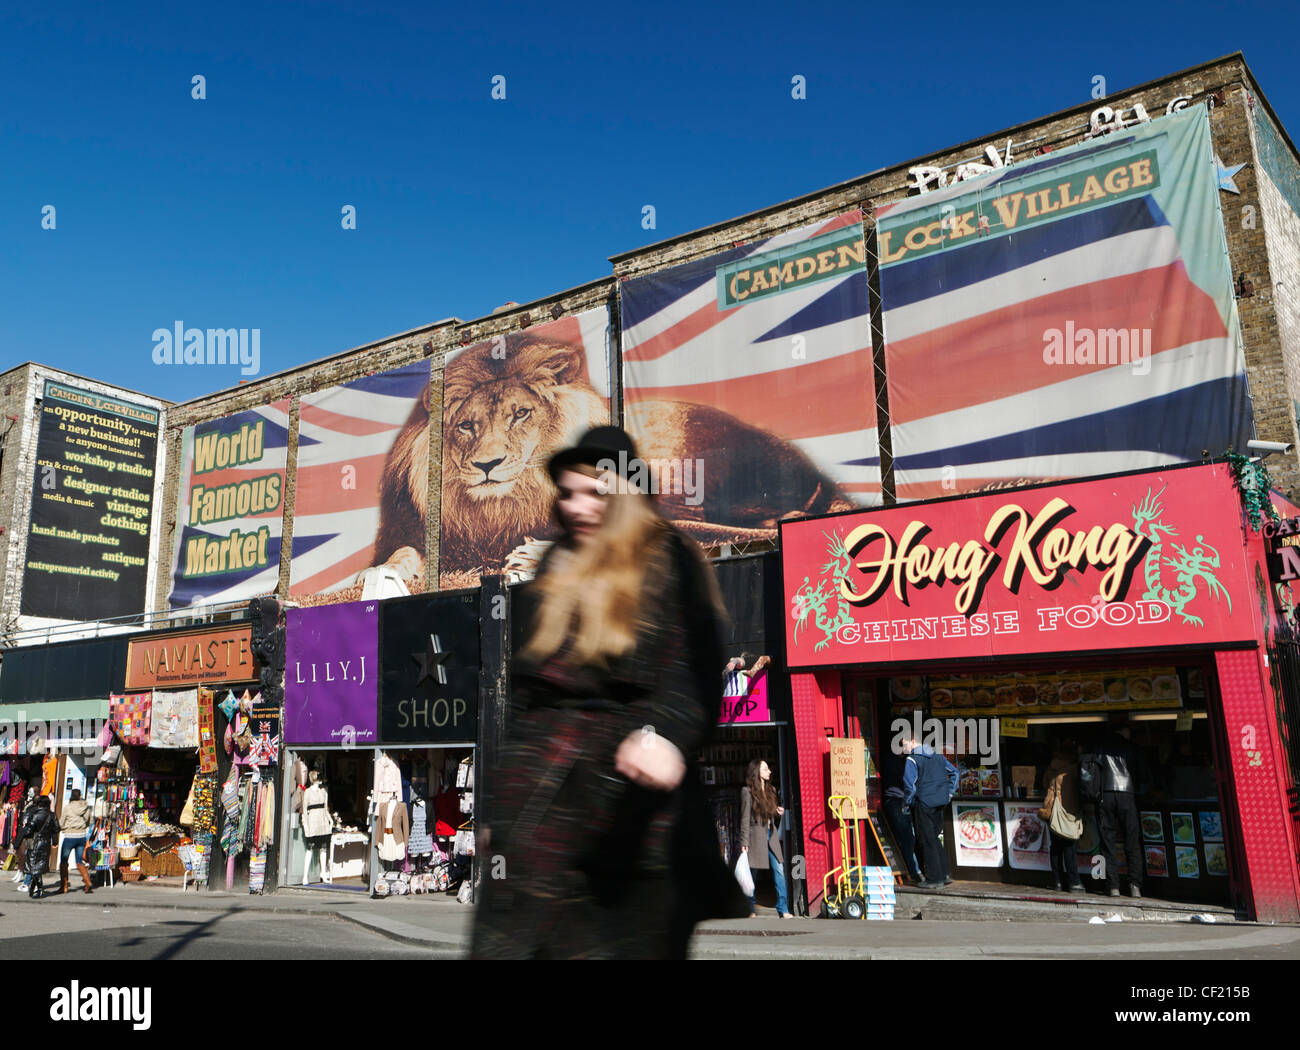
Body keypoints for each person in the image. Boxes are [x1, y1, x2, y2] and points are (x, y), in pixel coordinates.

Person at [470, 426, 748, 959]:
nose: (574, 507)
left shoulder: (669, 559)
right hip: (537, 815)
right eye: (567, 493)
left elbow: (695, 673)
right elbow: (524, 706)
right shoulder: (555, 564)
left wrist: (665, 734)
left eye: (593, 492)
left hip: (630, 819)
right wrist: (498, 813)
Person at [1083, 715, 1150, 898]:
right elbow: (1144, 775)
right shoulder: (1132, 748)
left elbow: (1086, 772)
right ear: (1123, 730)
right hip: (1127, 796)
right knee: (1132, 841)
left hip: (1105, 796)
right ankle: (1135, 885)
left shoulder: (1098, 747)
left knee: (1107, 843)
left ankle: (1113, 886)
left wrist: (1092, 794)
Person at [902, 737, 959, 889]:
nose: (904, 749)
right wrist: (949, 794)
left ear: (913, 741)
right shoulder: (938, 756)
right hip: (940, 803)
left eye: (904, 744)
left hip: (924, 804)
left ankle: (934, 879)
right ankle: (945, 874)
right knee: (933, 838)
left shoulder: (912, 759)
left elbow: (910, 787)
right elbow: (955, 773)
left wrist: (906, 803)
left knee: (927, 840)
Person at [739, 758, 791, 918]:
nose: (769, 771)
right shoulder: (747, 792)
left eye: (768, 769)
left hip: (771, 835)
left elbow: (771, 813)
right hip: (755, 837)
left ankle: (783, 909)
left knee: (779, 870)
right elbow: (745, 817)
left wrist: (777, 811)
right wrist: (744, 841)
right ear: (757, 773)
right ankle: (750, 907)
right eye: (765, 769)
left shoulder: (772, 790)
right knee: (752, 874)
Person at [1039, 740, 1084, 893]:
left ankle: (1058, 882)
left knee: (1056, 848)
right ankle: (1074, 882)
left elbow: (1045, 783)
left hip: (1051, 810)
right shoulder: (1074, 767)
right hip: (1068, 810)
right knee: (1069, 847)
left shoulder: (1052, 765)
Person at [880, 743, 922, 884]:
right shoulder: (894, 761)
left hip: (900, 801)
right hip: (896, 801)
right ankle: (914, 872)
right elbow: (906, 779)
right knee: (907, 837)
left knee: (907, 837)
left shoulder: (899, 760)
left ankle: (911, 871)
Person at [9, 794, 59, 898]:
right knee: (39, 866)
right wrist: (54, 841)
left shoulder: (36, 814)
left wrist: (19, 839)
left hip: (35, 842)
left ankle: (39, 889)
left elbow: (28, 830)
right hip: (46, 843)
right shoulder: (52, 815)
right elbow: (56, 829)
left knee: (33, 866)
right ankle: (33, 888)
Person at [58, 788, 94, 895]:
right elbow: (90, 821)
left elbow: (61, 821)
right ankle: (87, 882)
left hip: (69, 836)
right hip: (81, 836)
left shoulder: (67, 807)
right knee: (79, 860)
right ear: (80, 796)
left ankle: (64, 886)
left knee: (64, 861)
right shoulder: (85, 807)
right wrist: (83, 828)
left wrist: (64, 829)